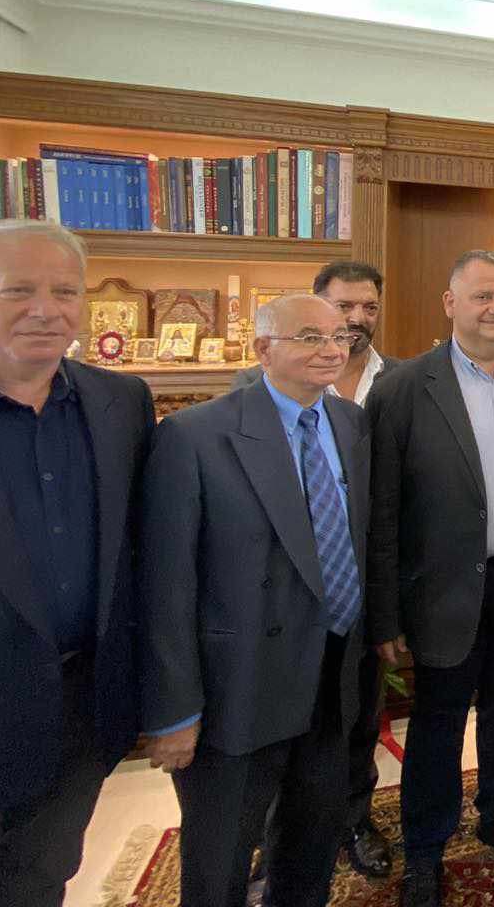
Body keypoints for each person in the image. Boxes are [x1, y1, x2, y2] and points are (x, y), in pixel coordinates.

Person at [0, 221, 156, 907]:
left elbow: (138, 551)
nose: (46, 310)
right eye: (18, 290)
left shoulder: (121, 402)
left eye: (65, 292)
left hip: (78, 708)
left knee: (42, 881)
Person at [140, 294, 371, 907]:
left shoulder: (351, 424)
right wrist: (174, 711)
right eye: (310, 337)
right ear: (263, 348)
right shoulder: (195, 435)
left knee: (312, 839)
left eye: (339, 337)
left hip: (331, 672)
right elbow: (166, 583)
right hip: (239, 686)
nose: (331, 350)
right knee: (220, 859)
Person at [368, 251, 494, 906]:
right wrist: (385, 614)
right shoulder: (404, 388)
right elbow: (382, 511)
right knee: (439, 720)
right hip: (443, 587)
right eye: (482, 296)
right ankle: (425, 850)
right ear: (450, 303)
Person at [233, 260, 399, 883]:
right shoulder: (246, 396)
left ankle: (351, 821)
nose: (354, 321)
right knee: (278, 741)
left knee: (352, 726)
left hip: (355, 602)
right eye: (341, 309)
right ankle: (271, 843)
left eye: (367, 308)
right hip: (278, 610)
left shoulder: (397, 385)